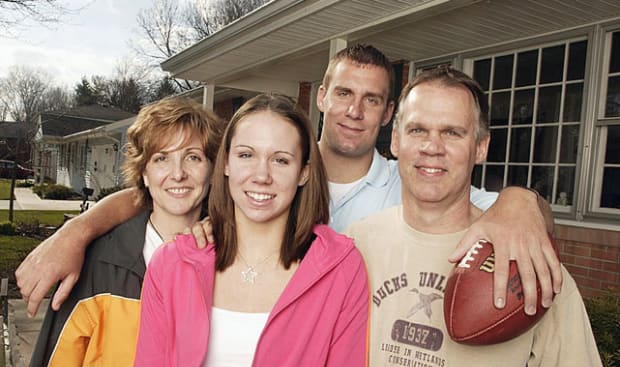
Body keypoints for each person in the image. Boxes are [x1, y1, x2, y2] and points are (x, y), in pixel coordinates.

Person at [16, 45, 560, 320]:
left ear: (389, 115)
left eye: (372, 100)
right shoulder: (263, 178)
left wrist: (519, 202)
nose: (354, 111)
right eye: (343, 94)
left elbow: (499, 207)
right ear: (321, 97)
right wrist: (77, 230)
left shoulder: (414, 182)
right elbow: (160, 189)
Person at [345, 66, 609, 367]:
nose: (432, 147)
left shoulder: (528, 258)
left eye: (452, 132)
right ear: (396, 141)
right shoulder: (354, 244)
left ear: (480, 147)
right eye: (418, 129)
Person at [125, 94, 370, 367]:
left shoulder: (339, 269)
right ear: (225, 163)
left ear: (304, 173)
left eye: (281, 161)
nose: (261, 175)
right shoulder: (172, 266)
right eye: (246, 155)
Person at [9, 97, 223, 367]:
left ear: (213, 168)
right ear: (144, 171)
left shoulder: (231, 265)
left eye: (193, 157)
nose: (178, 173)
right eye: (161, 158)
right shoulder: (100, 263)